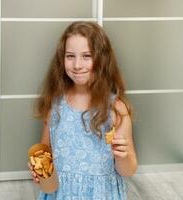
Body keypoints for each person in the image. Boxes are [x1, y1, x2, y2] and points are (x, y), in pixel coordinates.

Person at [29, 21, 138, 200]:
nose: (77, 65)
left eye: (87, 56)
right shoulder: (56, 105)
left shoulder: (116, 108)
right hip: (61, 193)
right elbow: (45, 151)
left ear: (102, 59)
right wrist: (40, 170)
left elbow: (128, 170)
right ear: (61, 58)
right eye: (70, 56)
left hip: (101, 194)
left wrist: (123, 156)